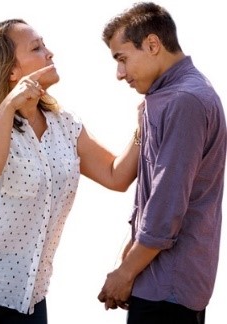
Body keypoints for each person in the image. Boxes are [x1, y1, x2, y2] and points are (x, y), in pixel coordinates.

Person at [0, 18, 142, 324]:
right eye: (37, 48)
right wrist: (10, 104)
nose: (50, 53)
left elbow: (115, 175)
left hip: (29, 298)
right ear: (11, 70)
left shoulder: (64, 124)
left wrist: (144, 125)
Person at [97, 2, 227, 324]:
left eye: (122, 59)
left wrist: (125, 273)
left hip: (169, 289)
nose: (119, 74)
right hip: (159, 282)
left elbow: (166, 208)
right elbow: (146, 194)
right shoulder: (166, 97)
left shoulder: (185, 101)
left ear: (153, 44)